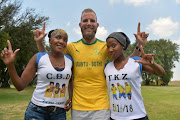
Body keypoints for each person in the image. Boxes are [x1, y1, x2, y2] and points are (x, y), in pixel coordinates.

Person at [34, 8, 148, 120]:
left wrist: (139, 46)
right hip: (78, 107)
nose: (89, 23)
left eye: (92, 21)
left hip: (101, 107)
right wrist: (39, 43)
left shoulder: (105, 47)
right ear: (80, 25)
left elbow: (127, 63)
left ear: (97, 25)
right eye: (85, 20)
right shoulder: (71, 47)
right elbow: (48, 60)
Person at [1, 28, 73, 120]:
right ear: (50, 40)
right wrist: (10, 65)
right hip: (37, 111)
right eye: (58, 37)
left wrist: (70, 97)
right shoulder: (38, 57)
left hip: (59, 113)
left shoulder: (69, 60)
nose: (61, 41)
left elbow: (71, 80)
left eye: (65, 39)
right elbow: (20, 85)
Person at [104, 32, 165, 120]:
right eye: (108, 47)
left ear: (123, 46)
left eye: (113, 45)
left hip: (138, 116)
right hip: (115, 117)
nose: (110, 50)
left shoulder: (136, 62)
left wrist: (152, 64)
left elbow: (161, 73)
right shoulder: (107, 67)